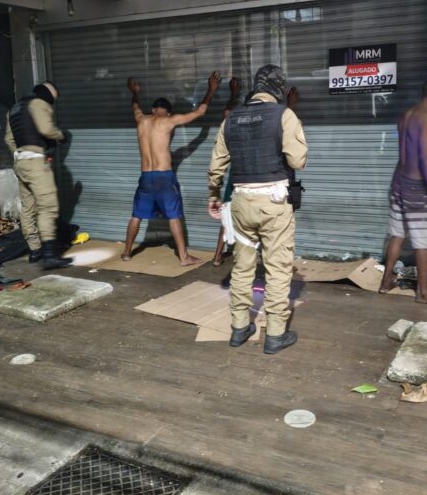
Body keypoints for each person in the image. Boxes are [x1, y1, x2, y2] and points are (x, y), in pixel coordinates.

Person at [208, 64, 307, 354]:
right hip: (274, 203)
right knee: (276, 269)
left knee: (242, 266)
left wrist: (214, 195)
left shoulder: (231, 119)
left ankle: (240, 328)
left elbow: (216, 168)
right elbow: (298, 160)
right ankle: (275, 334)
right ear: (278, 88)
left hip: (240, 201)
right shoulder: (284, 115)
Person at [123, 71, 221, 265]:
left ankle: (126, 253)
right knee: (174, 216)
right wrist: (210, 91)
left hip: (145, 176)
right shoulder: (169, 120)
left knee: (136, 215)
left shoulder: (141, 120)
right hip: (164, 177)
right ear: (167, 111)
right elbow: (200, 112)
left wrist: (134, 92)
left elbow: (134, 105)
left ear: (153, 109)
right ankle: (184, 257)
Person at [378, 77, 427, 303]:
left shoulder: (407, 115)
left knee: (398, 233)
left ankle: (385, 282)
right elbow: (425, 158)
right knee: (425, 240)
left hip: (398, 181)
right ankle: (424, 292)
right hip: (417, 186)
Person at [5, 81, 72, 270]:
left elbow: (9, 139)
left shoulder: (15, 109)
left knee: (28, 207)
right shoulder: (39, 104)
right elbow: (46, 129)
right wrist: (61, 135)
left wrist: (22, 155)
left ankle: (35, 250)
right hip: (35, 163)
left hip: (20, 163)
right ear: (48, 94)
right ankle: (50, 255)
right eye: (54, 98)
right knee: (48, 206)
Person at [212, 77, 242, 266]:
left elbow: (226, 113)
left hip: (235, 175)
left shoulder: (232, 127)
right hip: (253, 178)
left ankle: (217, 256)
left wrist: (233, 94)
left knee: (227, 215)